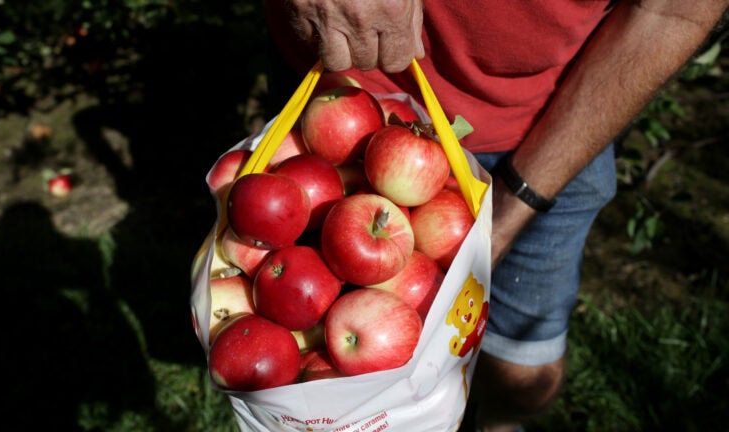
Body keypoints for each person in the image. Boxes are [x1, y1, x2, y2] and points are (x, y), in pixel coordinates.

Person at [263, 1, 729, 430]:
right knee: (320, 382)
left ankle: (498, 422)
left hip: (552, 124)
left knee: (523, 377)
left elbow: (674, 12)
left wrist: (514, 205)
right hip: (349, 113)